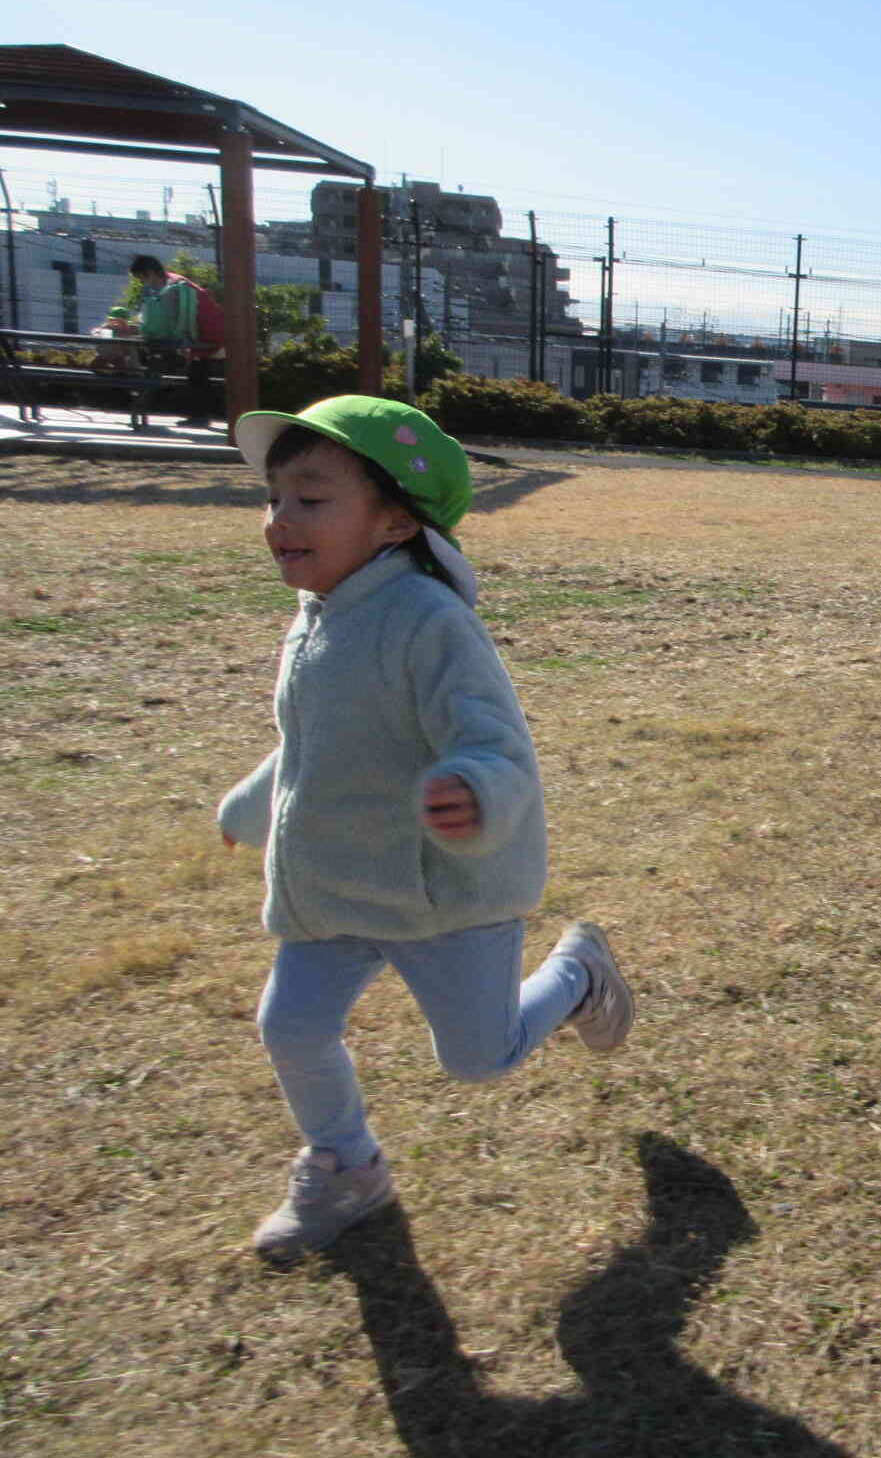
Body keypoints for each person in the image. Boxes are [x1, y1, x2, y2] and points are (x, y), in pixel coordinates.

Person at [216, 394, 634, 1261]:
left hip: (446, 891)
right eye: (274, 499)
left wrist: (472, 790)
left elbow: (495, 742)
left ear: (396, 522)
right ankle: (347, 1167)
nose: (278, 521)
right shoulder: (322, 614)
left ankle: (577, 974)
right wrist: (252, 809)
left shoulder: (429, 622)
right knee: (290, 1025)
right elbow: (312, 745)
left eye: (311, 499)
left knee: (479, 1058)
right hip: (338, 886)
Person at [129, 254, 225, 429]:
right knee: (196, 374)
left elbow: (179, 318)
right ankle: (198, 416)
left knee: (197, 374)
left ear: (150, 273)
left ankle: (199, 416)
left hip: (206, 333)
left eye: (142, 278)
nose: (144, 282)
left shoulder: (175, 287)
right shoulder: (174, 283)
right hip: (204, 332)